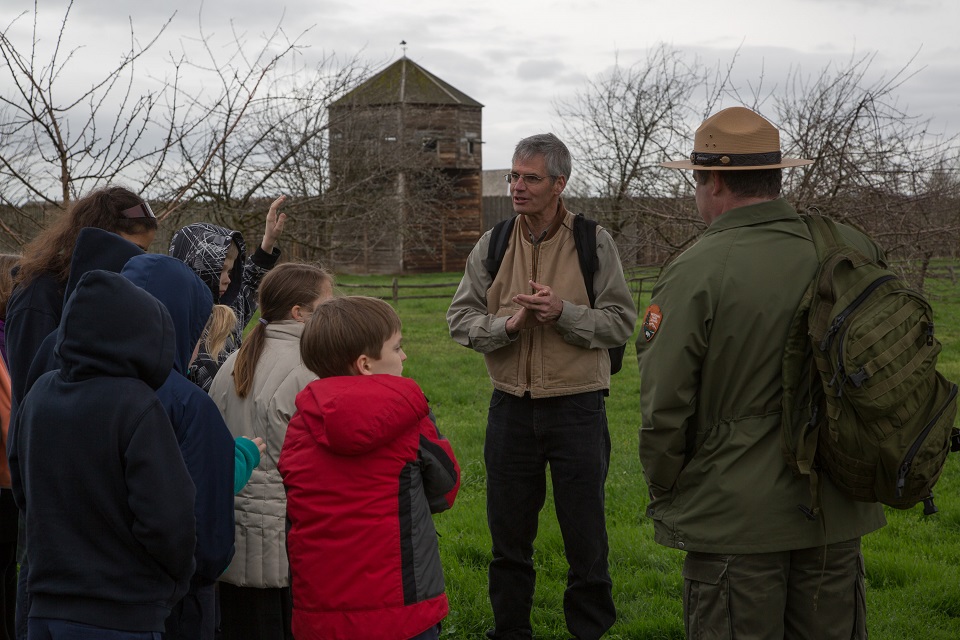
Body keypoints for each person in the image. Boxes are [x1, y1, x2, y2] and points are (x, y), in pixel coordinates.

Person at [636, 106, 887, 639]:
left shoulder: (697, 269)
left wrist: (666, 488)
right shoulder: (850, 247)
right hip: (838, 509)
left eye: (696, 181)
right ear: (776, 174)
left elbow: (664, 406)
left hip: (735, 522)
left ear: (716, 181)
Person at [447, 133, 637, 640]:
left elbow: (621, 322)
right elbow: (459, 318)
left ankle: (589, 632)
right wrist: (505, 328)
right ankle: (510, 632)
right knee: (508, 543)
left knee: (586, 542)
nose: (517, 187)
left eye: (531, 178)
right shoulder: (493, 243)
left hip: (578, 409)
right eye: (514, 176)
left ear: (560, 183)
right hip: (508, 409)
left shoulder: (593, 242)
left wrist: (564, 314)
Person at [7, 269, 196, 637]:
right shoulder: (137, 406)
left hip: (44, 607)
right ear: (143, 334)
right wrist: (173, 580)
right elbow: (169, 519)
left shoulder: (39, 394)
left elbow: (22, 489)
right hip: (120, 613)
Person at [5, 189, 154, 640]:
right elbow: (37, 394)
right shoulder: (41, 294)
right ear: (99, 237)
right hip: (54, 476)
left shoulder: (114, 294)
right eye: (132, 249)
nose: (136, 262)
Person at [278, 296, 460, 640]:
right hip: (403, 611)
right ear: (365, 364)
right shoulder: (410, 418)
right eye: (397, 347)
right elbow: (445, 488)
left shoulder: (301, 426)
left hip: (321, 616)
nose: (404, 356)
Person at [120, 253, 244, 640]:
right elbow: (207, 540)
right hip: (168, 605)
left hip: (62, 601)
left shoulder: (52, 384)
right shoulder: (187, 403)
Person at [208, 262, 333, 640]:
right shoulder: (309, 368)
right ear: (299, 313)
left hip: (232, 536)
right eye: (326, 306)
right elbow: (312, 468)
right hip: (282, 546)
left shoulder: (232, 361)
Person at [169, 196, 287, 391]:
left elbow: (248, 284)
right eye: (220, 270)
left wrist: (268, 244)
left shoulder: (224, 313)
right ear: (196, 266)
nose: (228, 279)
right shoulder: (174, 322)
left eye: (231, 272)